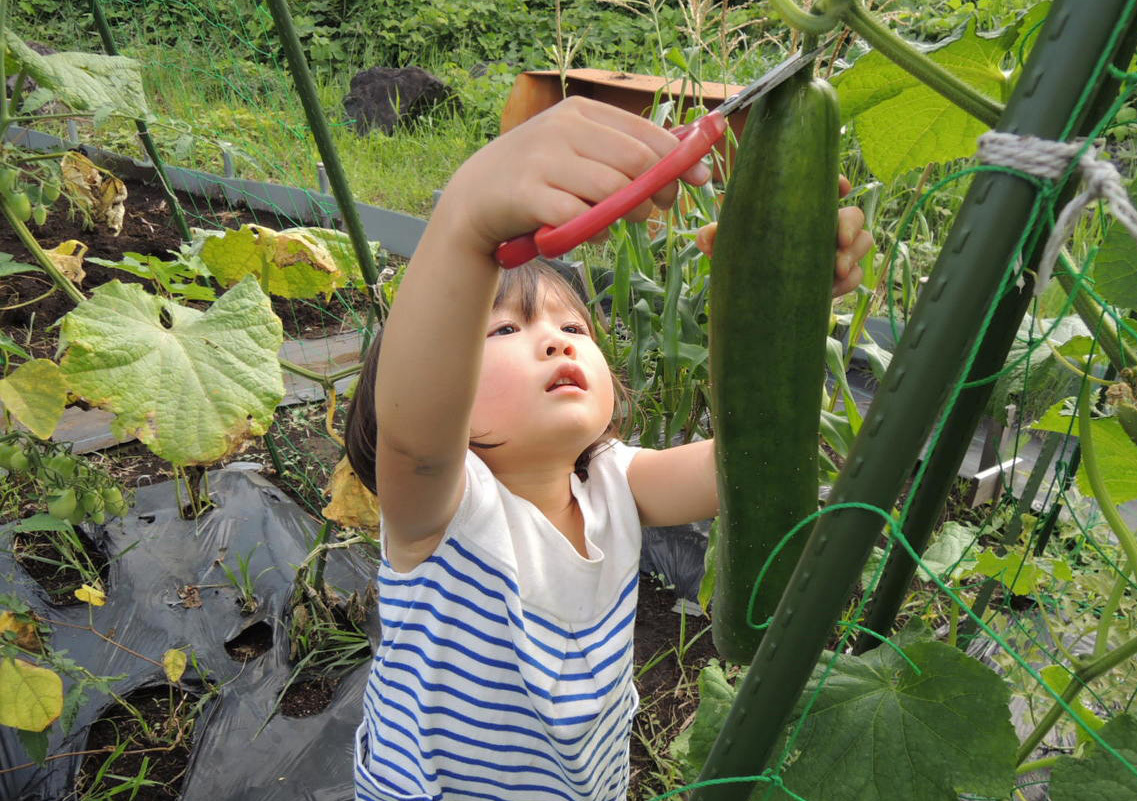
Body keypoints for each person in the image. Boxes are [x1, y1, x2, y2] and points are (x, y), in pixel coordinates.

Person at [342, 96, 873, 801]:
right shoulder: (442, 511)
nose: (557, 338)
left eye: (573, 325)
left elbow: (755, 451)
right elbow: (416, 434)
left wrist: (789, 293)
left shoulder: (615, 483)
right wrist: (465, 218)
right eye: (505, 330)